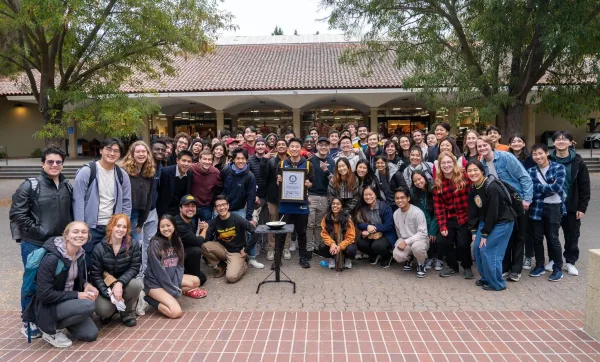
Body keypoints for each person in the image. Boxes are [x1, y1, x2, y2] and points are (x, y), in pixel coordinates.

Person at [10, 146, 74, 339]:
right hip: (35, 243)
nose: (54, 165)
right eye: (50, 162)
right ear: (42, 163)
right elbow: (17, 213)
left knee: (53, 282)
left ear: (62, 164)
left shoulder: (67, 186)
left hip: (59, 245)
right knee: (32, 282)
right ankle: (28, 321)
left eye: (58, 162)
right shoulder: (31, 185)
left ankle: (47, 317)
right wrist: (38, 230)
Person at [22, 221, 99, 348]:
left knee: (90, 334)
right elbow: (44, 294)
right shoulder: (52, 258)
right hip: (48, 306)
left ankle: (58, 325)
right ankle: (49, 330)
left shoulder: (80, 254)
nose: (80, 235)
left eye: (84, 232)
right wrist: (78, 295)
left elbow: (74, 279)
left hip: (68, 302)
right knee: (88, 305)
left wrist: (86, 285)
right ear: (66, 235)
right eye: (75, 232)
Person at [478, 135, 532, 282]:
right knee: (506, 236)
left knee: (519, 236)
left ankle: (516, 270)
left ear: (491, 145)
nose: (482, 148)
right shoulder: (481, 164)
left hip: (517, 200)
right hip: (500, 205)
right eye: (479, 147)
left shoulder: (505, 157)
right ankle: (506, 268)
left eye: (485, 145)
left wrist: (527, 199)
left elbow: (524, 177)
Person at [73, 138, 132, 266]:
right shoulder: (87, 171)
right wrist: (80, 227)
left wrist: (124, 225)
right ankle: (86, 285)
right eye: (109, 149)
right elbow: (78, 200)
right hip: (91, 227)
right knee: (87, 261)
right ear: (101, 150)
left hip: (112, 228)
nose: (112, 153)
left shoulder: (122, 175)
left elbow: (127, 202)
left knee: (109, 262)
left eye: (116, 151)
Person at [466, 160, 515, 291]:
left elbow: (494, 211)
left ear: (482, 171)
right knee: (476, 249)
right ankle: (486, 277)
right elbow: (473, 210)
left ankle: (497, 283)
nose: (472, 173)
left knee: (487, 250)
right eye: (469, 171)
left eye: (475, 170)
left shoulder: (492, 187)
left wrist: (485, 234)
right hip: (485, 220)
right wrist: (474, 231)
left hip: (502, 222)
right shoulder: (473, 187)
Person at [143, 215, 203, 319]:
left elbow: (180, 265)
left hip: (170, 279)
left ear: (174, 226)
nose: (165, 229)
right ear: (158, 228)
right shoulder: (155, 243)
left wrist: (175, 283)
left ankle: (168, 294)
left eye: (168, 225)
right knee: (175, 312)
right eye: (162, 226)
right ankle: (149, 299)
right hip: (155, 283)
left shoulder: (177, 240)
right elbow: (159, 273)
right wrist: (173, 290)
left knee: (196, 281)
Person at [548, 131, 590, 276]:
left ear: (571, 142)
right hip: (552, 205)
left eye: (564, 139)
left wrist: (582, 207)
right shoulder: (547, 160)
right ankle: (553, 259)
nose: (561, 141)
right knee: (552, 234)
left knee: (572, 235)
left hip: (571, 204)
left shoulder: (578, 162)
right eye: (557, 139)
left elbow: (585, 186)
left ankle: (570, 261)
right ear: (553, 143)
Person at [91, 214, 142, 326]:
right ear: (111, 227)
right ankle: (113, 309)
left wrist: (120, 282)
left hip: (124, 283)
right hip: (106, 286)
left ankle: (127, 313)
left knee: (136, 285)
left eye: (124, 227)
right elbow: (96, 275)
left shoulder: (133, 244)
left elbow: (134, 267)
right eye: (118, 226)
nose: (121, 229)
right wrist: (109, 294)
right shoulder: (99, 248)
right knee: (103, 311)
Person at [527, 143, 567, 282]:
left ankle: (557, 268)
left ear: (547, 153)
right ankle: (539, 265)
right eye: (534, 154)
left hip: (554, 207)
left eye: (540, 153)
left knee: (553, 238)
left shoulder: (558, 167)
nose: (538, 157)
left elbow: (557, 187)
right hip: (537, 208)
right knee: (537, 238)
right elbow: (531, 189)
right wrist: (547, 188)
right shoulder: (531, 171)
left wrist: (541, 189)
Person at [198, 195, 258, 283]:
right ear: (215, 209)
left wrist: (246, 250)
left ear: (228, 206)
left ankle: (243, 264)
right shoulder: (214, 221)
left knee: (231, 277)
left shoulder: (237, 218)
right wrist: (204, 228)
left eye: (223, 204)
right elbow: (204, 240)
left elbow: (255, 232)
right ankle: (221, 265)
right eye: (218, 206)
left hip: (236, 252)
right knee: (203, 246)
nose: (221, 207)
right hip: (222, 250)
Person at [432, 151, 473, 278]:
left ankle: (467, 267)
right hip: (449, 217)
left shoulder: (464, 177)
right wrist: (442, 226)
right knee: (444, 241)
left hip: (465, 216)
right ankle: (452, 266)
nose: (446, 165)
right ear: (440, 166)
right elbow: (438, 208)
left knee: (463, 244)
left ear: (454, 163)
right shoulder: (438, 184)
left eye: (449, 162)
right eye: (443, 163)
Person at [276, 137, 316, 268]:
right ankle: (277, 260)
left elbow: (311, 183)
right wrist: (279, 181)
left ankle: (303, 258)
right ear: (288, 149)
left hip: (301, 204)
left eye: (297, 146)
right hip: (285, 204)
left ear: (301, 149)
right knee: (281, 233)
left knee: (301, 232)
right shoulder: (282, 164)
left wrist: (308, 184)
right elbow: (278, 183)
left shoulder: (308, 164)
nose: (294, 149)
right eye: (292, 146)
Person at [221, 148, 262, 269]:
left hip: (239, 209)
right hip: (223, 208)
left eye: (243, 158)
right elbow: (220, 189)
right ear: (233, 160)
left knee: (251, 230)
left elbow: (251, 198)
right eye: (238, 158)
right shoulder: (225, 171)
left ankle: (252, 257)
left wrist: (249, 217)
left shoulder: (250, 176)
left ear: (246, 159)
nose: (240, 161)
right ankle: (222, 259)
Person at [355, 185, 396, 267]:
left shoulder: (384, 207)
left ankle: (387, 256)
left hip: (386, 234)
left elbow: (389, 225)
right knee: (360, 243)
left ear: (376, 194)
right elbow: (359, 223)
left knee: (377, 246)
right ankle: (374, 254)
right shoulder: (362, 207)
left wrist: (373, 228)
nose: (368, 197)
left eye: (370, 194)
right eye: (365, 195)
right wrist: (367, 227)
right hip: (371, 235)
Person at [392, 187, 429, 278]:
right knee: (397, 255)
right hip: (405, 240)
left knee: (417, 247)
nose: (399, 200)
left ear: (408, 198)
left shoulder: (417, 212)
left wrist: (406, 242)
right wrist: (402, 242)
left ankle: (421, 264)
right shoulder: (396, 213)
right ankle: (409, 258)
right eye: (397, 198)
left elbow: (423, 233)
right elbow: (398, 231)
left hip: (420, 240)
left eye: (402, 197)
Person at [264, 138, 292, 260]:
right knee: (272, 223)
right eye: (278, 144)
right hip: (273, 197)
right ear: (275, 148)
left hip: (289, 198)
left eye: (283, 144)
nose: (281, 146)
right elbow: (264, 177)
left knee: (287, 224)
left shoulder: (292, 161)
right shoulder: (270, 161)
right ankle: (272, 248)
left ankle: (285, 248)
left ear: (287, 147)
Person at [121, 141, 154, 243]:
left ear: (147, 154)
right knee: (122, 244)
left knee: (137, 244)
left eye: (144, 151)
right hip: (122, 213)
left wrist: (141, 222)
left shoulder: (149, 173)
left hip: (136, 215)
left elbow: (149, 198)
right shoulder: (123, 171)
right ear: (132, 154)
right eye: (138, 151)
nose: (141, 154)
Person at [307, 137, 335, 257]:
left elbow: (334, 180)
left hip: (324, 197)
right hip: (311, 196)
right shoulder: (310, 160)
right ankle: (309, 248)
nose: (323, 147)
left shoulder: (332, 161)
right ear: (317, 146)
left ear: (329, 147)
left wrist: (326, 171)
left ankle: (317, 247)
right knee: (309, 224)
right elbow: (305, 178)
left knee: (319, 224)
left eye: (326, 145)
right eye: (321, 145)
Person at [174, 195, 209, 289]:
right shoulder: (178, 224)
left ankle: (189, 278)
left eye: (193, 206)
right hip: (171, 262)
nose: (190, 209)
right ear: (180, 208)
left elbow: (192, 241)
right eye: (187, 206)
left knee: (203, 278)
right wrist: (205, 229)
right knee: (196, 251)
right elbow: (199, 242)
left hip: (182, 255)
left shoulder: (190, 221)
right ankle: (183, 282)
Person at [410, 170, 441, 271]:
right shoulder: (414, 193)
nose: (418, 182)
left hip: (439, 219)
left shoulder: (434, 188)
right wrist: (428, 228)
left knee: (437, 236)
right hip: (425, 221)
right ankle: (430, 257)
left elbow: (438, 210)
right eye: (415, 181)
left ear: (425, 178)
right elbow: (422, 212)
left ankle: (438, 258)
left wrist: (432, 228)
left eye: (419, 179)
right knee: (428, 236)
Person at [319, 197, 357, 269]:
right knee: (322, 247)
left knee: (351, 250)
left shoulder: (347, 218)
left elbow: (350, 237)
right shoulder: (326, 218)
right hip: (333, 242)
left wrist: (340, 246)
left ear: (342, 207)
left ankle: (347, 259)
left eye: (338, 204)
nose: (335, 206)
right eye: (333, 204)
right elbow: (324, 234)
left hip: (344, 243)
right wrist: (332, 244)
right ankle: (332, 258)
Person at [156, 150, 193, 218]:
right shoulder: (166, 172)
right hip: (165, 208)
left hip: (179, 209)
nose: (186, 164)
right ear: (177, 160)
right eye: (183, 160)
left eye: (189, 162)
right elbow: (159, 189)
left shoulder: (190, 174)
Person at [191, 150, 223, 222]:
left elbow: (219, 188)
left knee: (206, 230)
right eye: (204, 159)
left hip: (206, 206)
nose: (207, 162)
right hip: (191, 205)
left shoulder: (215, 172)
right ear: (199, 159)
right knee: (190, 229)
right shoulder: (191, 169)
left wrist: (214, 202)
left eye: (209, 159)